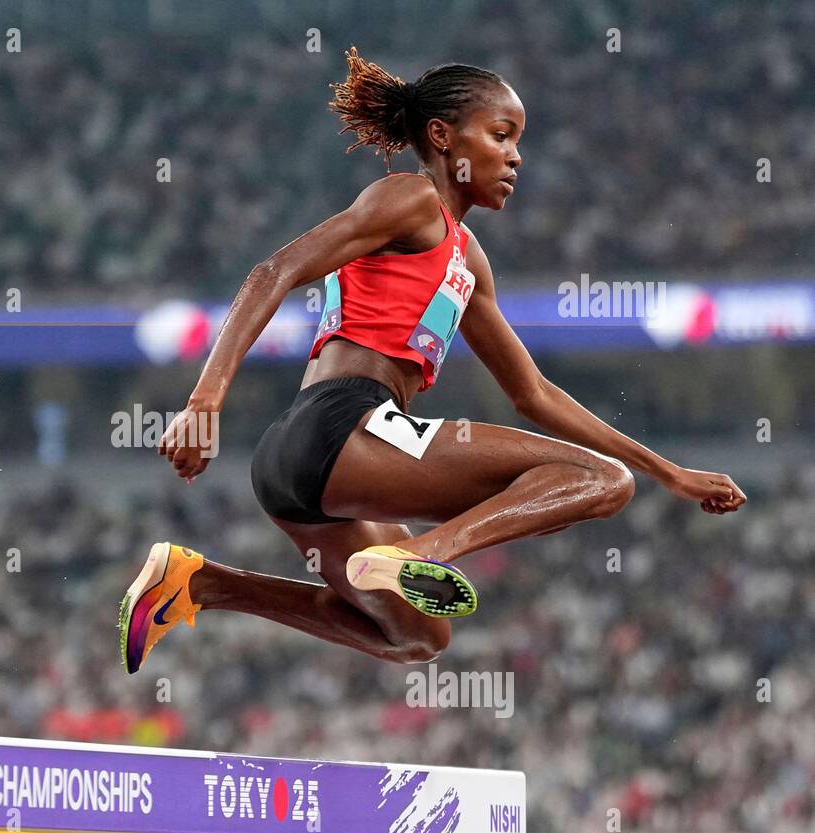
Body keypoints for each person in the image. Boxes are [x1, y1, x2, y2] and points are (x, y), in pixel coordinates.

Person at [119, 51, 745, 675]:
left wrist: (671, 473)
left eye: (518, 141)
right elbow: (273, 272)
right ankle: (426, 554)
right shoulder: (410, 199)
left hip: (305, 469)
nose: (516, 157)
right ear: (444, 138)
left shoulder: (466, 261)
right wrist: (205, 403)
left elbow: (534, 394)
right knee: (605, 482)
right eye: (501, 136)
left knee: (416, 637)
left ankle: (201, 584)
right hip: (342, 426)